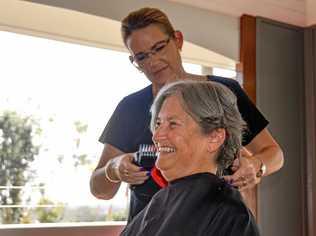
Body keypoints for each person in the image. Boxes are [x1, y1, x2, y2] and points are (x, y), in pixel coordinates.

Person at [90, 7, 284, 221]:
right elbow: (100, 190)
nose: (153, 62)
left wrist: (257, 165)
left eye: (159, 48)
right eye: (142, 56)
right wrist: (114, 169)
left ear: (178, 40)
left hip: (215, 224)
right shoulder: (130, 108)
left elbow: (274, 154)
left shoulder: (224, 92)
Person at [121, 80, 260, 236]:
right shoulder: (160, 202)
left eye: (173, 124)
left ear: (214, 137)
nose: (156, 135)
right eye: (158, 123)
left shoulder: (228, 215)